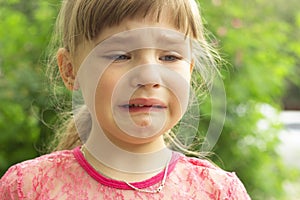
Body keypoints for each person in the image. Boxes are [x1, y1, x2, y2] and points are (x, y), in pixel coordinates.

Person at [0, 0, 251, 199]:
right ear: (69, 70)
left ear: (190, 70)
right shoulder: (27, 189)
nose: (149, 76)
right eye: (120, 55)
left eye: (170, 57)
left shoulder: (218, 192)